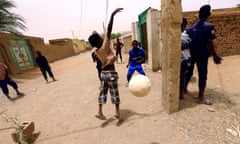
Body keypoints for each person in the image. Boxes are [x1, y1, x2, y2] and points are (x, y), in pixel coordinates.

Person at [88, 8, 123, 120]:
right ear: (99, 40)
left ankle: (100, 111)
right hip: (111, 73)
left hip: (103, 74)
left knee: (102, 93)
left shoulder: (96, 52)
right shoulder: (105, 45)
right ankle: (117, 112)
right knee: (114, 92)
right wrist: (113, 15)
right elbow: (109, 29)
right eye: (100, 37)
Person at [185, 5, 222, 105]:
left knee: (189, 72)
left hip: (191, 54)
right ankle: (201, 98)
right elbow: (210, 42)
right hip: (202, 55)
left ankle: (183, 90)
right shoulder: (209, 26)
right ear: (208, 14)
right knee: (202, 75)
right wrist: (215, 55)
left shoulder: (191, 28)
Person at [179, 18, 191, 99]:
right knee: (182, 76)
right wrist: (189, 61)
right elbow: (188, 50)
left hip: (178, 59)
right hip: (184, 59)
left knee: (179, 76)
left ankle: (179, 93)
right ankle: (181, 93)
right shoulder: (187, 37)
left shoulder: (172, 35)